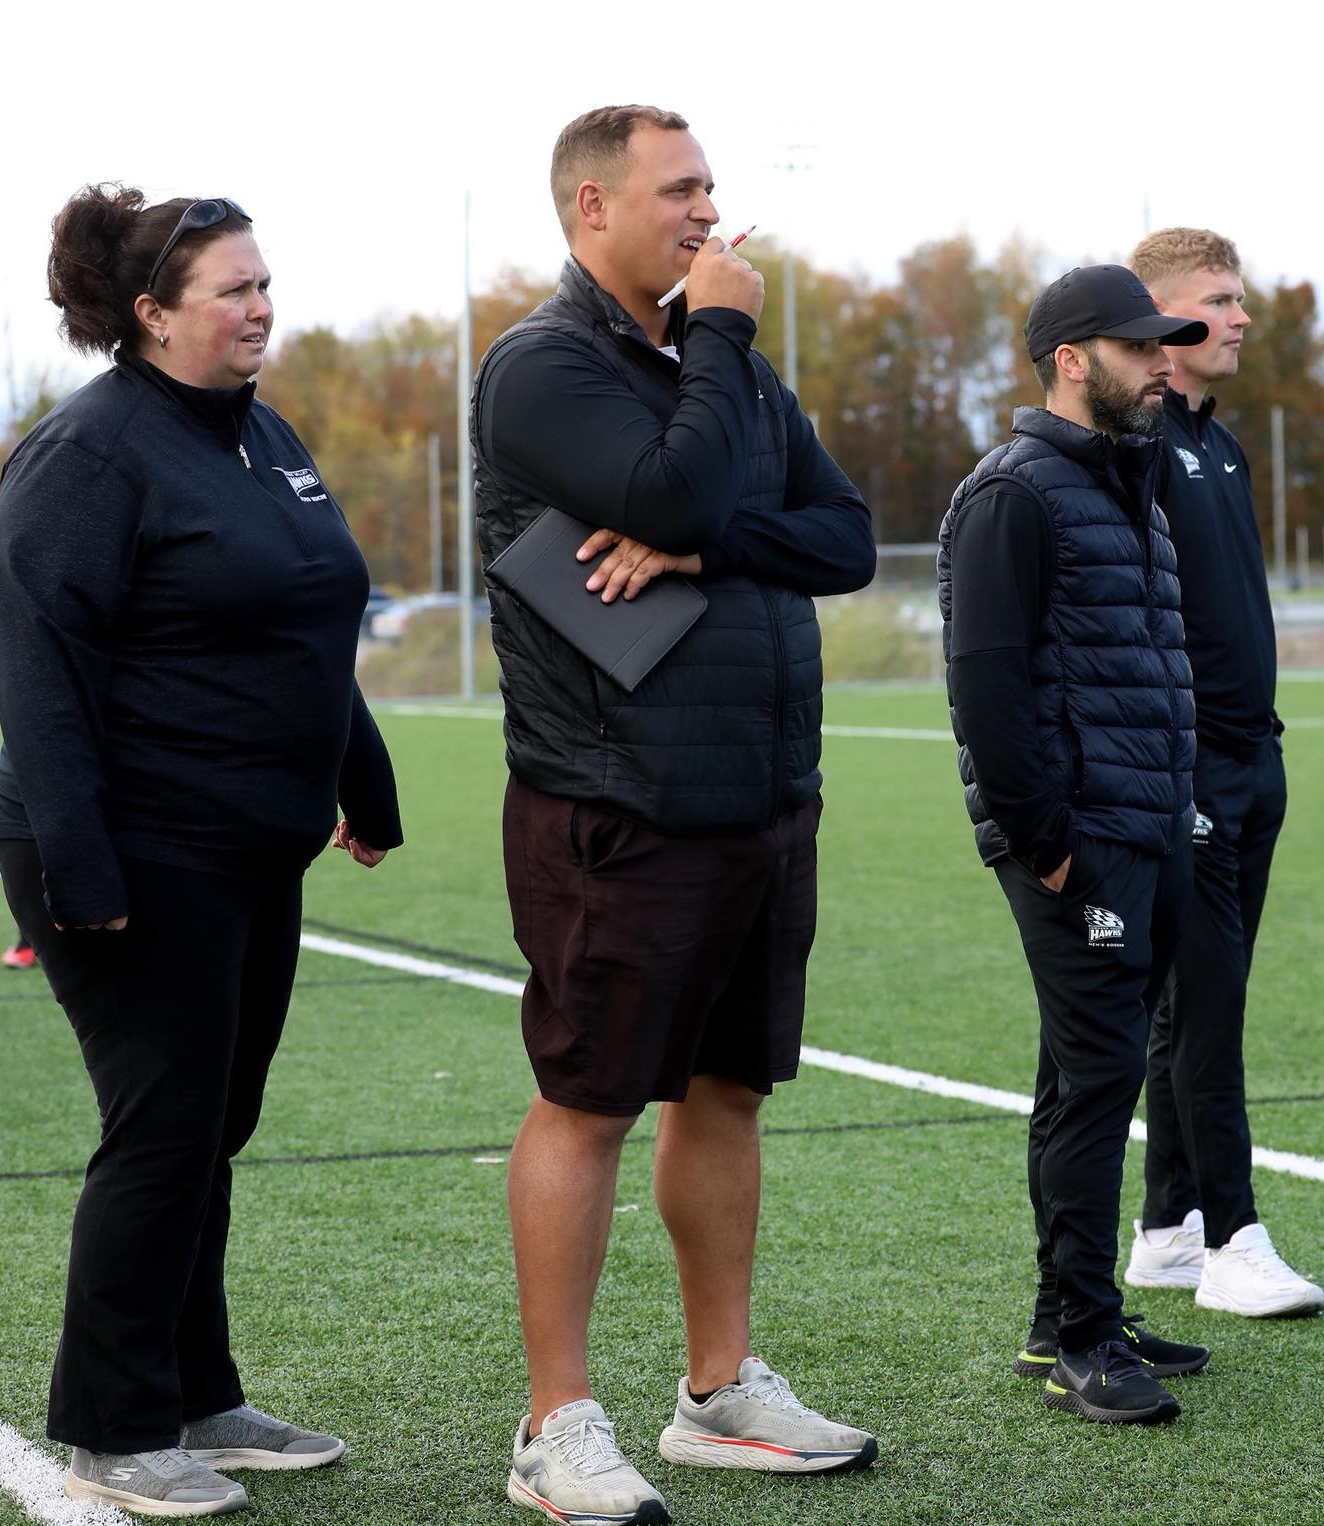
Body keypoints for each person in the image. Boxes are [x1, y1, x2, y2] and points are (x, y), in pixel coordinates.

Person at [474, 105, 878, 1525]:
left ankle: (717, 1390)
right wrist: (718, 338)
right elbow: (677, 481)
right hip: (617, 796)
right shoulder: (541, 365)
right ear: (591, 206)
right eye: (679, 190)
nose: (709, 213)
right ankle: (554, 1423)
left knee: (727, 1088)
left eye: (711, 188)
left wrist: (703, 545)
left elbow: (842, 536)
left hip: (760, 791)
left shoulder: (733, 372)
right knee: (587, 1097)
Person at [0, 183, 401, 1519]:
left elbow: (303, 622)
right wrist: (81, 864)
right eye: (235, 288)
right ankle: (112, 1424)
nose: (263, 306)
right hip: (131, 840)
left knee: (214, 1122)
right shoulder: (87, 452)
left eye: (265, 282)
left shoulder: (260, 433)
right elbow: (39, 669)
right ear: (152, 314)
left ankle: (196, 1391)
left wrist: (362, 777)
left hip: (249, 843)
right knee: (163, 1125)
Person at [938, 266, 1207, 1424]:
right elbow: (986, 687)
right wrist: (1047, 846)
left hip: (1144, 824)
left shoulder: (1123, 482)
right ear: (1067, 359)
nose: (1160, 364)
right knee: (1098, 1075)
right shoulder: (1013, 492)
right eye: (1138, 347)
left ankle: (1065, 1315)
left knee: (1083, 1070)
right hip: (1078, 841)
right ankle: (1084, 1341)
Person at [1123, 228, 1323, 1316]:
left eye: (1240, 298)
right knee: (1206, 1008)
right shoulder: (1137, 442)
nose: (1241, 317)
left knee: (1199, 1002)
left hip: (1255, 758)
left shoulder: (1222, 443)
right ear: (1161, 316)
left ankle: (1166, 1230)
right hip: (1186, 767)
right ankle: (1232, 1239)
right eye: (1219, 298)